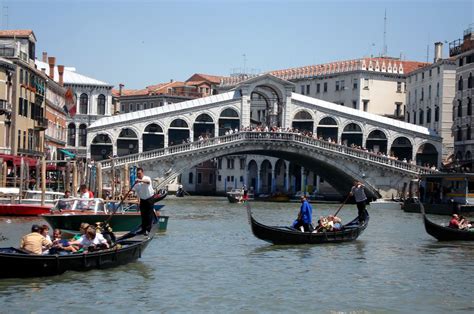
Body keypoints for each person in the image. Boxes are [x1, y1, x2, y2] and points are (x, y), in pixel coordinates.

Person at [132, 167, 154, 235]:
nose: (138, 175)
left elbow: (148, 182)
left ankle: (148, 229)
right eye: (137, 174)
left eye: (139, 173)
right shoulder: (137, 183)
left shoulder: (146, 178)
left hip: (149, 198)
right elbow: (135, 191)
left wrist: (140, 181)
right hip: (142, 200)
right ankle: (143, 229)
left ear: (142, 173)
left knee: (149, 215)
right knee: (143, 215)